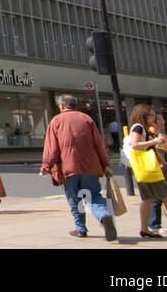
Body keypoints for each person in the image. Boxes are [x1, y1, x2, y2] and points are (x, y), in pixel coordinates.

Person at [39, 94, 115, 240]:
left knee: (74, 198)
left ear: (61, 106)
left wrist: (46, 166)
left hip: (68, 168)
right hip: (90, 166)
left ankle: (80, 228)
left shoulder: (56, 121)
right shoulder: (87, 119)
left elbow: (52, 148)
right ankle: (104, 215)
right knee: (93, 196)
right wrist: (105, 164)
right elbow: (99, 145)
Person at [124, 105, 167, 241]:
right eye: (151, 115)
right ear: (142, 116)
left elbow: (152, 151)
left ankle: (144, 229)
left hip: (145, 169)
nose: (154, 118)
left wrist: (166, 166)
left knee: (147, 199)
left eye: (154, 115)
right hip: (147, 169)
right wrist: (154, 141)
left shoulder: (145, 131)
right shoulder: (138, 127)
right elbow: (134, 144)